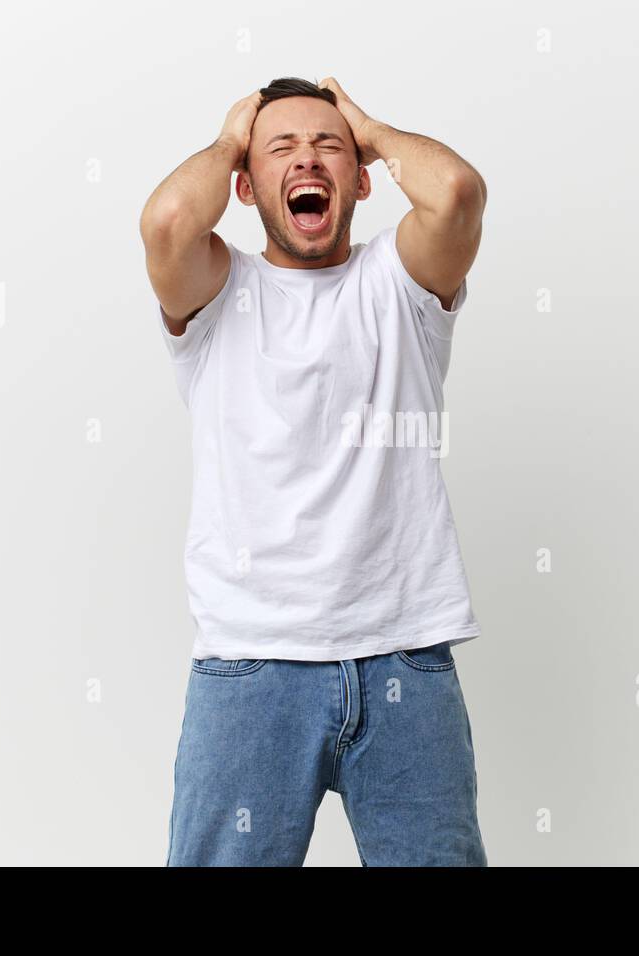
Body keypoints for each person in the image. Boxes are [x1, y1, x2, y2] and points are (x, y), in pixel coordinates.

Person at [139, 76, 488, 866]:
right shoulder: (219, 292)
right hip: (250, 665)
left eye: (330, 146)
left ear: (362, 177)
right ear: (247, 185)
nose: (309, 159)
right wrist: (232, 140)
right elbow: (166, 221)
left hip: (405, 655)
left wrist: (374, 128)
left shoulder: (397, 282)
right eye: (282, 150)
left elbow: (458, 192)